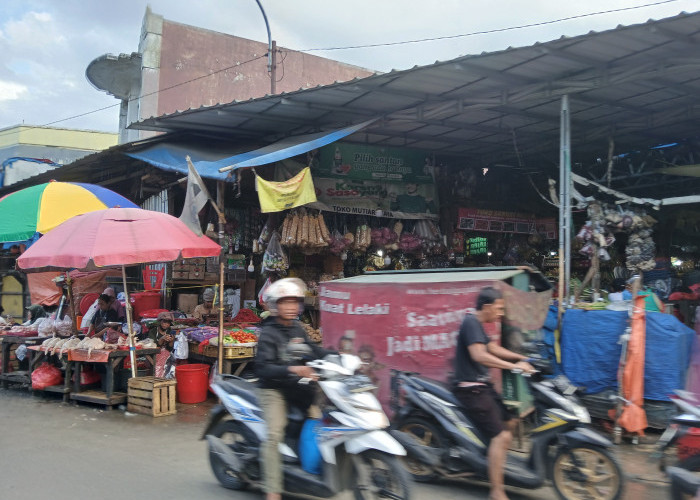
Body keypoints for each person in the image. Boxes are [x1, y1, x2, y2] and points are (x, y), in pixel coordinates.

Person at [254, 278, 334, 500]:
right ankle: (272, 489)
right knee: (274, 434)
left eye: (294, 302)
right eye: (285, 302)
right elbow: (263, 369)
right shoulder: (268, 333)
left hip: (297, 388)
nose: (291, 307)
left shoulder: (297, 328)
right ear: (275, 305)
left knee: (320, 420)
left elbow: (313, 351)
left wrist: (339, 357)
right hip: (273, 390)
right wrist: (294, 369)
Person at [452, 287, 535, 500]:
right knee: (502, 436)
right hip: (471, 390)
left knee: (511, 420)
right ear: (487, 307)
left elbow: (493, 349)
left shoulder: (477, 325)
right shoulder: (470, 322)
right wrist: (514, 367)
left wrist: (520, 359)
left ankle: (493, 460)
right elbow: (479, 355)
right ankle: (496, 491)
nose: (500, 313)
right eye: (498, 309)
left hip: (483, 387)